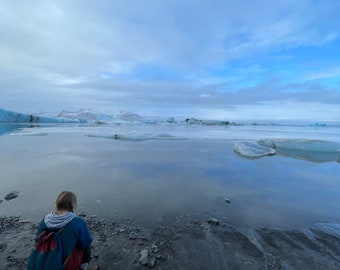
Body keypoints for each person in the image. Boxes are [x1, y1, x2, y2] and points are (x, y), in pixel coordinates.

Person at [35, 191, 99, 270]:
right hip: (66, 262)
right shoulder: (77, 222)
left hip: (45, 258)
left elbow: (37, 241)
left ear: (57, 203)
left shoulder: (44, 221)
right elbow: (86, 243)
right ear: (72, 205)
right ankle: (83, 267)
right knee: (85, 244)